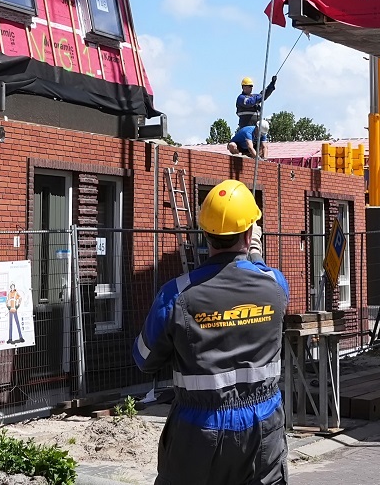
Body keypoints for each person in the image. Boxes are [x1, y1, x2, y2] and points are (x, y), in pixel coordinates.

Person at [135, 179, 289, 485]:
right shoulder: (275, 285)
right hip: (263, 426)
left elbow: (144, 359)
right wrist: (254, 251)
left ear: (205, 236)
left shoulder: (176, 295)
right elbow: (262, 274)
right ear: (249, 234)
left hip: (198, 431)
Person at [230, 76, 278, 159]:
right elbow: (250, 102)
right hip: (246, 132)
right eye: (249, 86)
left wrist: (272, 84)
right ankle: (241, 157)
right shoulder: (241, 98)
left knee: (261, 148)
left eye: (251, 86)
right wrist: (260, 96)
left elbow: (264, 95)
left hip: (256, 133)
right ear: (243, 87)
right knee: (235, 145)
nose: (251, 88)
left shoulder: (254, 97)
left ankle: (260, 163)